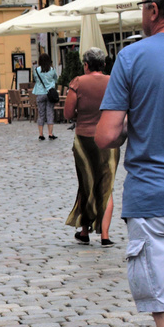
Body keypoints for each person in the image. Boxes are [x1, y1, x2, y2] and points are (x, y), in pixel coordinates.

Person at [96, 0, 164, 327]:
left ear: (152, 10)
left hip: (153, 200)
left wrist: (135, 122)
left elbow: (106, 135)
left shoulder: (133, 56)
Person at [64, 47, 119, 247]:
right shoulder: (113, 81)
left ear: (86, 65)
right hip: (109, 137)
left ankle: (85, 231)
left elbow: (68, 113)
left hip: (84, 138)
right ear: (103, 65)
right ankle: (105, 235)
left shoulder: (78, 82)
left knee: (86, 182)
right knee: (107, 184)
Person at [33, 53, 58, 140]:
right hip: (50, 93)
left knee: (41, 114)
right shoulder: (52, 69)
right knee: (50, 113)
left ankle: (41, 134)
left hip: (40, 93)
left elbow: (35, 79)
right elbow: (56, 79)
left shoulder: (36, 70)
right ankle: (50, 134)